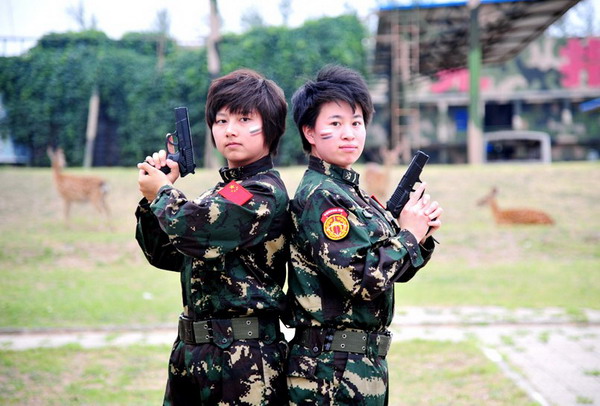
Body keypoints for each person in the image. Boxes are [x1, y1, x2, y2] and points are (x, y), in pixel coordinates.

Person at [283, 65, 443, 405]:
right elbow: (361, 280)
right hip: (331, 371)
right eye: (335, 124)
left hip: (356, 364)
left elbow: (393, 273)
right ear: (309, 132)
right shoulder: (323, 196)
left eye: (356, 123)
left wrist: (419, 234)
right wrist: (408, 236)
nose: (349, 134)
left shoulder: (348, 192)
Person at [135, 69, 290, 406]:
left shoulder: (263, 193)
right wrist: (153, 199)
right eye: (221, 121)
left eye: (244, 119)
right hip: (193, 353)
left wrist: (162, 194)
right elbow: (166, 254)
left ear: (271, 127)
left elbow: (198, 232)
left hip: (243, 361)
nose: (230, 129)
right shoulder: (222, 192)